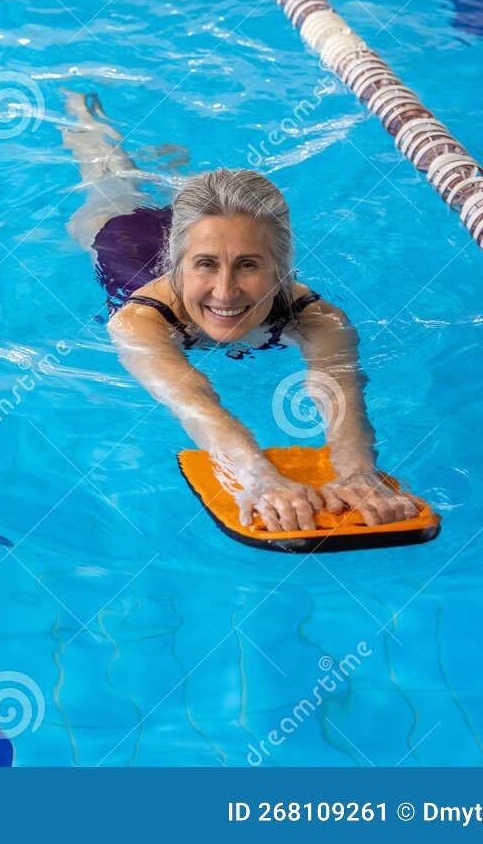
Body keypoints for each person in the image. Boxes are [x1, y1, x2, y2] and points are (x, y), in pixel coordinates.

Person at [60, 89, 418, 533]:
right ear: (177, 263)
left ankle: (176, 180)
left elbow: (342, 398)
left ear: (281, 266)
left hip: (203, 233)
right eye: (206, 266)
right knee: (109, 179)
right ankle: (86, 119)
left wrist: (358, 472)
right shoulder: (139, 320)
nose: (226, 293)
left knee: (206, 213)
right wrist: (256, 474)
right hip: (124, 239)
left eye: (249, 265)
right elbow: (192, 403)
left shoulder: (318, 318)